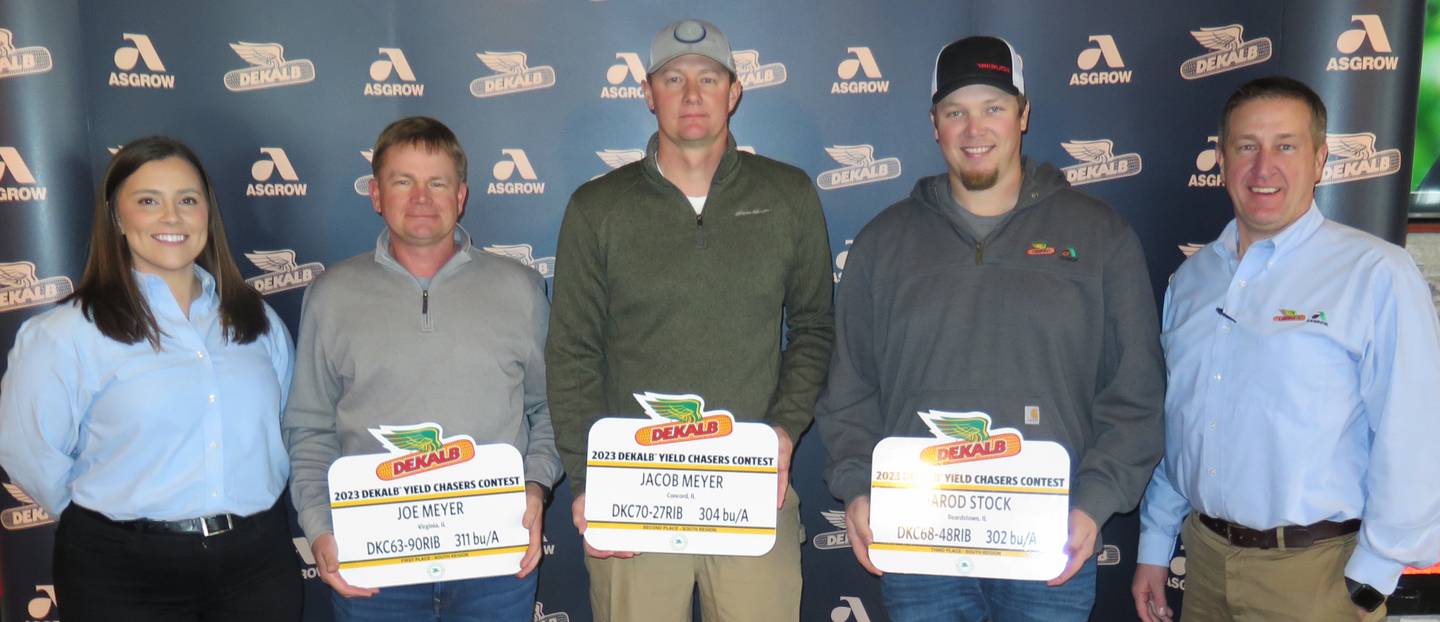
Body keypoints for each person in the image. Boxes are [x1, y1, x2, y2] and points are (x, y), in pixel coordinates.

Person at [813, 35, 1165, 622]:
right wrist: (856, 485)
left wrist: (1093, 505)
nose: (975, 130)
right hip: (920, 548)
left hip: (1047, 546)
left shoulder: (1102, 238)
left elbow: (1136, 396)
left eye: (993, 108)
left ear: (1023, 115)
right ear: (935, 124)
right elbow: (849, 389)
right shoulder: (883, 243)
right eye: (956, 112)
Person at [546, 18, 834, 622]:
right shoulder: (597, 208)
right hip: (634, 492)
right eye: (673, 79)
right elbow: (572, 352)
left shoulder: (789, 195)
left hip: (754, 487)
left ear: (734, 92)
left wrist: (782, 434)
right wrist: (586, 478)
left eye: (709, 77)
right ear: (648, 94)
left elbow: (813, 328)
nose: (693, 94)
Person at [1132, 76, 1440, 622]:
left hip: (1319, 577)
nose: (1263, 167)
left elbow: (1416, 432)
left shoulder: (1374, 273)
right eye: (1247, 146)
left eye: (1286, 146)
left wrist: (1375, 571)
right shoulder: (1192, 281)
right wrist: (1156, 545)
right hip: (1204, 564)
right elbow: (1180, 425)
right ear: (1222, 160)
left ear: (1319, 160)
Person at [0, 136, 300, 621]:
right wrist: (109, 520)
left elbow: (284, 425)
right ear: (117, 218)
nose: (172, 218)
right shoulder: (66, 334)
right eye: (147, 202)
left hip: (257, 566)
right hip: (122, 575)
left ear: (207, 212)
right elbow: (25, 449)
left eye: (187, 200)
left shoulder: (257, 321)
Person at [283, 116, 561, 621]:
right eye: (402, 181)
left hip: (495, 557)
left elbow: (550, 410)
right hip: (374, 561)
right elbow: (309, 426)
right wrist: (321, 526)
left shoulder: (519, 289)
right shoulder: (332, 295)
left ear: (461, 196)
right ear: (375, 193)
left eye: (437, 183)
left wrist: (535, 487)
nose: (421, 198)